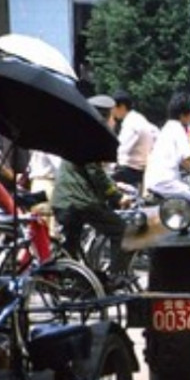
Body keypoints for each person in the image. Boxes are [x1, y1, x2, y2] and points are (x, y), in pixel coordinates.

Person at [52, 94, 132, 279]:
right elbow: (95, 172)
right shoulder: (92, 135)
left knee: (72, 249)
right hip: (80, 202)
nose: (114, 121)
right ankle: (116, 278)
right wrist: (117, 197)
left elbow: (91, 171)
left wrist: (114, 185)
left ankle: (74, 284)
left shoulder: (79, 132)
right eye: (112, 116)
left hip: (64, 200)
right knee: (123, 231)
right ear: (105, 116)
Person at [144, 91, 190, 201]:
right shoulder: (178, 128)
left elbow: (184, 162)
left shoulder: (167, 127)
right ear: (183, 115)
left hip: (154, 181)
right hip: (166, 182)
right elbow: (188, 159)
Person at [111, 89, 157, 190]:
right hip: (141, 168)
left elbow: (119, 150)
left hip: (133, 170)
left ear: (122, 107)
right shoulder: (138, 118)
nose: (112, 112)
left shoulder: (131, 124)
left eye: (113, 108)